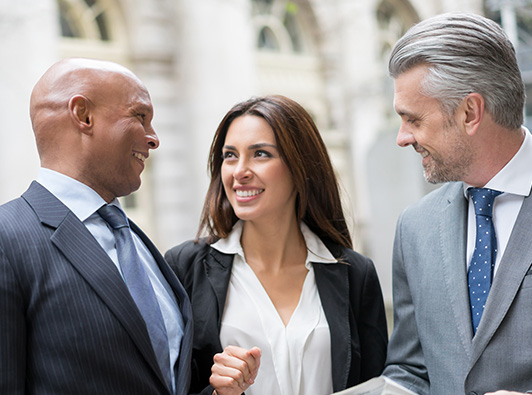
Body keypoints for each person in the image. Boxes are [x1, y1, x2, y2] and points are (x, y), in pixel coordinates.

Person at [165, 95, 388, 395]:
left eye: (260, 154)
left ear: (300, 167)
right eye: (230, 155)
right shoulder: (185, 267)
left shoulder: (355, 274)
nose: (239, 171)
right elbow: (167, 383)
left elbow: (375, 385)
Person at [0, 58, 193, 394]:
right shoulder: (8, 239)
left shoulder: (136, 242)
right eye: (140, 116)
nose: (154, 138)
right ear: (84, 116)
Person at [382, 12, 532, 395]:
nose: (402, 138)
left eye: (412, 119)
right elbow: (410, 370)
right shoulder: (415, 226)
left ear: (470, 112)